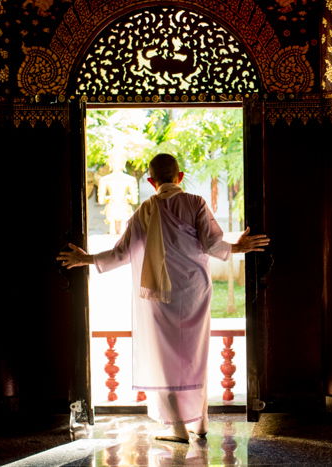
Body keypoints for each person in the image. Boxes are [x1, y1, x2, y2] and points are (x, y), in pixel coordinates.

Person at [57, 153, 269, 443]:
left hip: (161, 296)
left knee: (166, 359)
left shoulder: (145, 210)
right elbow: (212, 243)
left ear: (150, 181)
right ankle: (201, 422)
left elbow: (121, 253)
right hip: (195, 292)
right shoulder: (195, 203)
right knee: (196, 355)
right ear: (180, 177)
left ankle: (178, 427)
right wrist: (237, 247)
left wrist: (86, 259)